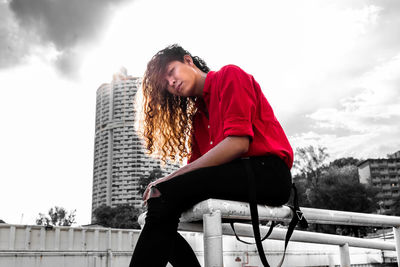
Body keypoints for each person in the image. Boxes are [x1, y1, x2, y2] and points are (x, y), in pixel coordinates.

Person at [129, 44, 293, 267]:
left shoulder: (229, 76)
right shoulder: (198, 118)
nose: (172, 83)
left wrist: (167, 180)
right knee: (160, 209)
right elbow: (196, 171)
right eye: (166, 85)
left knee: (164, 194)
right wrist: (165, 188)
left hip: (267, 174)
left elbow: (237, 143)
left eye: (171, 72)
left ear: (188, 61)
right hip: (233, 181)